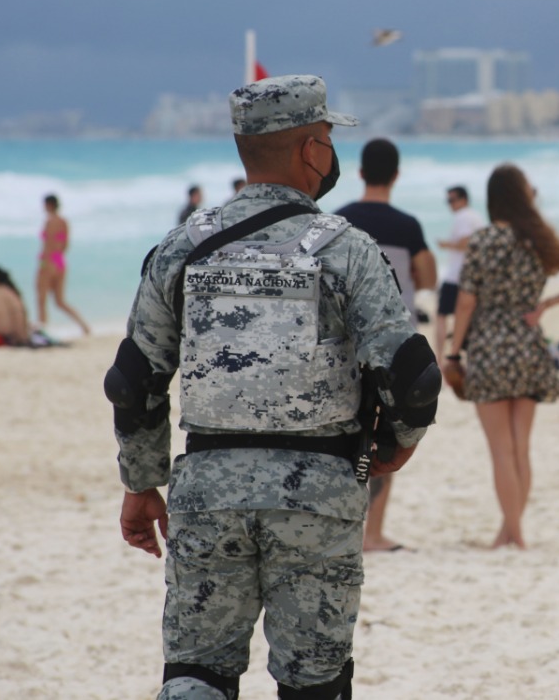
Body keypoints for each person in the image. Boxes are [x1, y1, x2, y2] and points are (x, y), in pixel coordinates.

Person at [108, 75, 440, 699]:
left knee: (197, 673)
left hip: (208, 487)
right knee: (314, 682)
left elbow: (135, 381)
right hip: (318, 494)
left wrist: (140, 481)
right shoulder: (346, 252)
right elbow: (413, 376)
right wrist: (397, 443)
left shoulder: (184, 246)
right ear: (313, 151)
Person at [448, 164, 559, 548]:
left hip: (488, 346)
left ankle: (514, 533)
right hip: (528, 344)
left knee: (501, 450)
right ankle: (510, 529)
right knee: (521, 447)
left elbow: (465, 302)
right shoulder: (540, 238)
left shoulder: (482, 241)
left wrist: (452, 351)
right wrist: (547, 302)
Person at [334, 137, 437, 552]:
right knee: (386, 436)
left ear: (359, 173)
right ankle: (373, 533)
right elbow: (427, 278)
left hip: (343, 342)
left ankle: (347, 528)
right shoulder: (408, 226)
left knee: (342, 432)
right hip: (392, 346)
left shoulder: (340, 223)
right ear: (396, 175)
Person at [434, 185, 486, 360]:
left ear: (463, 199)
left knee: (442, 316)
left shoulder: (463, 217)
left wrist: (445, 245)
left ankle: (440, 358)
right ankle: (460, 357)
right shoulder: (476, 217)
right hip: (474, 275)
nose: (450, 204)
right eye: (448, 200)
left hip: (456, 276)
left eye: (452, 200)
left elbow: (465, 243)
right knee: (468, 318)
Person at [36, 194, 92, 335]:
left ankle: (43, 330)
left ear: (49, 205)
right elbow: (65, 245)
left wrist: (44, 263)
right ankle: (84, 325)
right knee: (60, 301)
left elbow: (48, 244)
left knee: (41, 299)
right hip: (60, 261)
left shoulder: (49, 221)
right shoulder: (64, 222)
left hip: (48, 261)